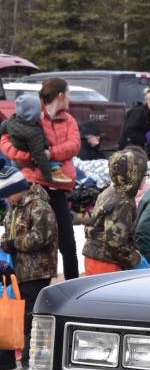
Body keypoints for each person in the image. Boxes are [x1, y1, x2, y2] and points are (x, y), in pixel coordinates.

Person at [0, 78, 81, 279]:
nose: (69, 98)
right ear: (61, 95)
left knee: (68, 243)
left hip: (58, 187)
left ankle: (73, 286)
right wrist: (32, 156)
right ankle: (18, 285)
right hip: (33, 188)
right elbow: (6, 143)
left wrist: (49, 153)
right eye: (68, 93)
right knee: (27, 239)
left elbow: (74, 145)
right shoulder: (32, 116)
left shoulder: (68, 120)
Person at [0, 166, 57, 370]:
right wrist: (6, 246)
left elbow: (42, 237)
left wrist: (14, 244)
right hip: (18, 271)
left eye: (8, 194)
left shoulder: (39, 207)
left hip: (37, 271)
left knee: (31, 314)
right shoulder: (13, 208)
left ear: (19, 189)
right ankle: (6, 359)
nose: (6, 199)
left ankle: (30, 358)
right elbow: (7, 232)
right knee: (12, 312)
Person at [79, 149, 147, 275]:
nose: (145, 178)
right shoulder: (123, 202)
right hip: (106, 261)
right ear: (134, 175)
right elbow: (115, 242)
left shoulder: (110, 191)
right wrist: (135, 258)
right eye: (144, 174)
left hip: (93, 256)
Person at [0, 95, 72, 184]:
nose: (42, 112)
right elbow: (39, 155)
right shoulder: (33, 132)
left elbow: (3, 128)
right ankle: (55, 169)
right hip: (30, 152)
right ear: (33, 113)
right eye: (40, 110)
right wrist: (48, 177)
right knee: (50, 159)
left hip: (16, 162)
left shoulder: (10, 121)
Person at [119, 87, 150, 152]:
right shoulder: (139, 112)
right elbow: (129, 130)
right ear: (149, 101)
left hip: (144, 148)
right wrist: (146, 139)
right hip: (131, 147)